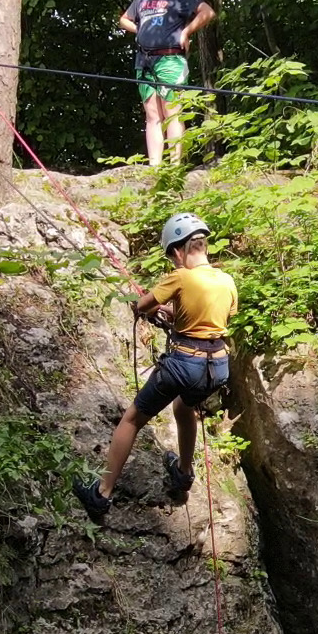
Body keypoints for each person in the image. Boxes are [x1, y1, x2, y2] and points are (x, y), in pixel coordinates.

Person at [75, 213, 238, 521]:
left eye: (172, 256)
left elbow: (142, 306)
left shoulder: (181, 277)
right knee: (183, 408)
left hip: (185, 363)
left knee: (132, 419)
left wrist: (157, 309)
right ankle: (183, 473)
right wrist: (176, 314)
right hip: (216, 367)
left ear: (179, 250)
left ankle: (102, 494)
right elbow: (218, 319)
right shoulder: (226, 280)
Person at [118, 0, 213, 166]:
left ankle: (175, 165)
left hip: (170, 59)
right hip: (144, 61)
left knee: (172, 112)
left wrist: (186, 31)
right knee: (152, 114)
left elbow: (207, 12)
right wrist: (141, 30)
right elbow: (124, 20)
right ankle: (155, 166)